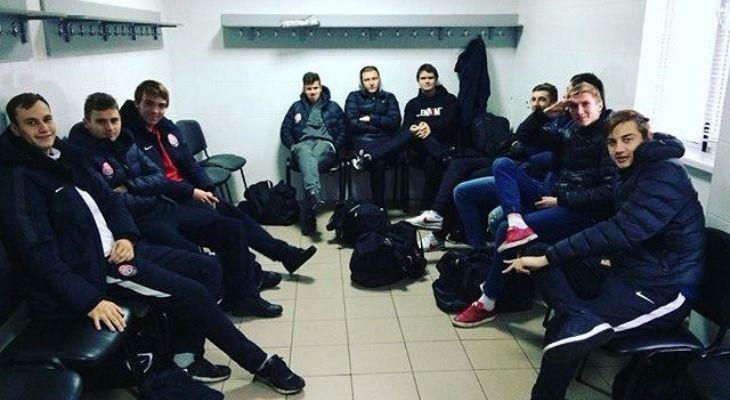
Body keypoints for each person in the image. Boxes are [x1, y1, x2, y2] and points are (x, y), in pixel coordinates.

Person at [0, 93, 306, 394]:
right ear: (15, 128)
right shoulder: (19, 180)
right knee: (193, 293)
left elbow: (110, 201)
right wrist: (89, 300)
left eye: (47, 119)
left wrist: (126, 235)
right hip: (98, 269)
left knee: (209, 267)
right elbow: (37, 255)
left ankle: (185, 356)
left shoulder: (65, 157)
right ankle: (260, 363)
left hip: (123, 248)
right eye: (31, 123)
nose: (44, 128)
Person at [503, 110, 704, 399]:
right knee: (538, 250)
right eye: (612, 142)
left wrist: (552, 256)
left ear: (646, 138)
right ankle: (578, 316)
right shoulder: (632, 170)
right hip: (628, 272)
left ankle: (575, 325)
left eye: (628, 139)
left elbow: (623, 229)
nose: (619, 148)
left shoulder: (665, 173)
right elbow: (626, 226)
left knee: (564, 323)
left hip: (664, 289)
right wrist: (554, 256)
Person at [69, 92, 310, 318]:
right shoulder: (82, 157)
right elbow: (112, 201)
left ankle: (245, 294)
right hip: (139, 222)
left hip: (164, 205)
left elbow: (159, 175)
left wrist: (133, 185)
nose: (110, 127)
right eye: (101, 122)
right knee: (197, 253)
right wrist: (150, 189)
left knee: (231, 226)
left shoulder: (129, 140)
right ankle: (248, 278)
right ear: (87, 122)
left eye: (114, 120)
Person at [453, 75, 615, 328]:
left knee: (502, 229)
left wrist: (561, 200)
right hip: (554, 196)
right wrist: (544, 114)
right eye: (573, 106)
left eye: (586, 105)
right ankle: (516, 222)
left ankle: (488, 301)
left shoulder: (610, 136)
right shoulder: (569, 129)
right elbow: (523, 137)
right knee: (502, 164)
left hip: (580, 210)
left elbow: (609, 192)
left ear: (600, 104)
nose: (580, 111)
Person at [119, 80, 316, 274]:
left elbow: (188, 162)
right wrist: (192, 191)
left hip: (190, 190)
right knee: (228, 226)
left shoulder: (166, 126)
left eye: (161, 106)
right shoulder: (128, 136)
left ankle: (285, 254)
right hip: (168, 198)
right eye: (149, 104)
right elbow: (155, 180)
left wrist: (207, 188)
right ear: (137, 103)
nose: (155, 111)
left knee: (235, 214)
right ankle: (254, 272)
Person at [409, 83, 558, 251]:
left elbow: (542, 156)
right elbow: (520, 135)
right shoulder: (534, 121)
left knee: (464, 183)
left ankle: (442, 236)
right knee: (459, 164)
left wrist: (521, 148)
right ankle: (435, 214)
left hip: (520, 170)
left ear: (553, 103)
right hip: (505, 160)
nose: (536, 104)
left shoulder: (555, 126)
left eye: (542, 100)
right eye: (533, 99)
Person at [351, 64, 459, 207]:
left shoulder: (449, 100)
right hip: (420, 147)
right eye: (423, 78)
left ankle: (427, 209)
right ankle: (443, 158)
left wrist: (429, 127)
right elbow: (403, 128)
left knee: (432, 160)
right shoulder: (413, 104)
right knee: (412, 132)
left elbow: (450, 122)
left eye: (430, 78)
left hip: (440, 143)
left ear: (436, 79)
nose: (427, 81)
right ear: (418, 81)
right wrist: (415, 128)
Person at [280, 72, 346, 235]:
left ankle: (309, 215)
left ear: (321, 87)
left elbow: (344, 130)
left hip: (325, 145)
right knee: (306, 155)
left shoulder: (333, 107)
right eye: (309, 89)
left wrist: (335, 146)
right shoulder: (296, 107)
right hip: (303, 145)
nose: (312, 92)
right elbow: (285, 130)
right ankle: (314, 193)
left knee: (309, 166)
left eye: (315, 88)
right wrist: (293, 145)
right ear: (304, 89)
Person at [344, 65, 401, 208]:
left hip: (386, 142)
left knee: (379, 158)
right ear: (362, 82)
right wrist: (379, 126)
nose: (371, 83)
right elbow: (351, 123)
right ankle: (380, 208)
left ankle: (378, 208)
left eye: (374, 79)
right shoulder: (354, 97)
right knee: (378, 161)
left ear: (379, 79)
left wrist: (371, 118)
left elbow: (395, 122)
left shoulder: (389, 97)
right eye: (367, 80)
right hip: (364, 141)